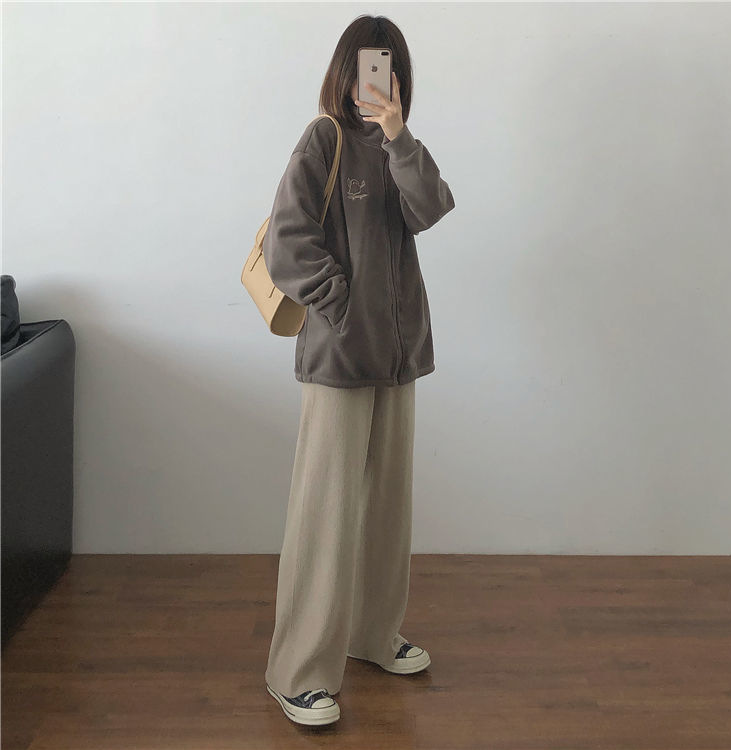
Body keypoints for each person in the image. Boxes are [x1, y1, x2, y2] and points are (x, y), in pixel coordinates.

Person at [262, 15, 455, 726]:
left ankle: (373, 635)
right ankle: (297, 671)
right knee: (326, 516)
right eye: (368, 64)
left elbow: (430, 208)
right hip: (342, 357)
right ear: (345, 70)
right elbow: (287, 242)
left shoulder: (399, 147)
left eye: (389, 66)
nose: (376, 78)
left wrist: (398, 134)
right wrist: (340, 307)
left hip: (399, 358)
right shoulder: (325, 139)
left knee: (385, 509)